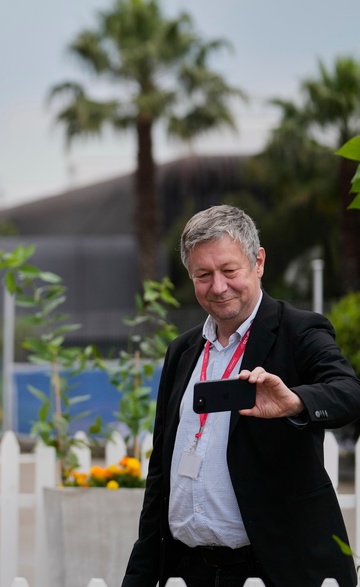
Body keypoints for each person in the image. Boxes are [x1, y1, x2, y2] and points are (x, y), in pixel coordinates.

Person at [122, 205, 360, 587]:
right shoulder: (182, 351)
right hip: (188, 569)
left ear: (258, 261)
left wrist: (296, 402)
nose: (218, 287)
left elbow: (349, 392)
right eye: (203, 275)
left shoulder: (298, 331)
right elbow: (160, 475)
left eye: (229, 271)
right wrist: (140, 574)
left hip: (272, 569)